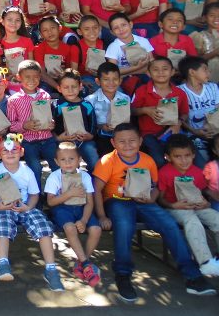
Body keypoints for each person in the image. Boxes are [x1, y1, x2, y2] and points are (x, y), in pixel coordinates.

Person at [93, 123, 215, 301]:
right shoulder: (107, 161)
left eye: (132, 141)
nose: (127, 145)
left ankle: (192, 275)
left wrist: (152, 197)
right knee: (125, 226)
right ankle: (123, 273)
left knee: (169, 224)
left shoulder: (147, 160)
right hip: (117, 201)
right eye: (122, 141)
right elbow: (96, 189)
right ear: (113, 143)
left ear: (140, 141)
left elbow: (156, 186)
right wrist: (102, 215)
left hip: (144, 202)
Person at [0, 134, 64, 291]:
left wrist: (28, 207)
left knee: (43, 226)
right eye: (5, 150)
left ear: (22, 151)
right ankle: (3, 263)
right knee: (4, 227)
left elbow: (34, 194)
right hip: (5, 208)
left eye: (14, 149)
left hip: (25, 206)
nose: (10, 153)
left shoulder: (27, 171)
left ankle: (51, 269)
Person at [157, 135, 219, 277]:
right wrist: (173, 205)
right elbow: (160, 199)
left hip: (196, 207)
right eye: (178, 157)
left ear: (193, 155)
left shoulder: (197, 172)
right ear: (168, 157)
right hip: (175, 208)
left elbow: (203, 192)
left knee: (217, 218)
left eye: (187, 156)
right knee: (192, 222)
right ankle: (205, 262)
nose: (184, 160)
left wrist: (206, 203)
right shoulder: (165, 172)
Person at [44, 142, 101, 286]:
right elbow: (51, 202)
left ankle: (82, 262)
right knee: (70, 228)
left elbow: (90, 202)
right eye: (63, 160)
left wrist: (84, 220)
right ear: (57, 162)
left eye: (71, 159)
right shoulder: (54, 177)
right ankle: (86, 264)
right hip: (62, 209)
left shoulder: (85, 176)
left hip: (82, 209)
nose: (68, 163)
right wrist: (69, 194)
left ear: (79, 159)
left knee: (96, 229)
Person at [6, 60, 58, 192]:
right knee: (35, 168)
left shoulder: (45, 95)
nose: (32, 80)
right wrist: (25, 125)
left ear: (40, 77)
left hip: (47, 138)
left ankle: (56, 192)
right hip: (28, 141)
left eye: (35, 77)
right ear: (19, 77)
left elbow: (50, 117)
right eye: (27, 77)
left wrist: (51, 123)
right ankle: (37, 196)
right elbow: (11, 126)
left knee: (57, 164)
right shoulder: (13, 100)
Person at [132, 56, 188, 168]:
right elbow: (131, 111)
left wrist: (179, 122)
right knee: (159, 160)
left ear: (172, 72)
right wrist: (145, 110)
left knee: (189, 157)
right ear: (148, 73)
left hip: (173, 132)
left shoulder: (179, 92)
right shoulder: (141, 91)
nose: (160, 72)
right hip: (149, 134)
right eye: (155, 69)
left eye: (165, 69)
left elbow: (184, 113)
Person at [53, 69, 99, 171]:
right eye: (66, 87)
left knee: (93, 156)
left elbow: (93, 125)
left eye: (74, 86)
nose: (70, 90)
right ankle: (65, 179)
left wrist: (89, 136)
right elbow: (51, 126)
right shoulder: (57, 105)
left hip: (84, 141)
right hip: (64, 142)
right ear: (59, 88)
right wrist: (59, 138)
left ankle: (92, 179)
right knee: (64, 159)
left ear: (80, 86)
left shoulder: (86, 105)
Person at [177, 56, 219, 168]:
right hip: (193, 135)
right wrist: (195, 131)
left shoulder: (213, 87)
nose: (209, 72)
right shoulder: (179, 91)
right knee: (203, 164)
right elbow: (178, 119)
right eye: (205, 69)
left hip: (215, 132)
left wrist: (210, 127)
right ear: (192, 72)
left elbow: (217, 109)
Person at [85, 61, 131, 157]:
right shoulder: (90, 100)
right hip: (100, 136)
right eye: (106, 79)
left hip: (122, 134)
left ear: (120, 80)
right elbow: (88, 124)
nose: (111, 83)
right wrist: (102, 126)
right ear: (98, 81)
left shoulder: (125, 98)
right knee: (107, 153)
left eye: (115, 79)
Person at [105, 12, 154, 95]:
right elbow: (113, 71)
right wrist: (137, 68)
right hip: (126, 79)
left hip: (140, 74)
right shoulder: (113, 47)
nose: (121, 29)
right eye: (116, 28)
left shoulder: (143, 41)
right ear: (112, 32)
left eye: (123, 25)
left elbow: (151, 61)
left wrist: (128, 72)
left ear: (130, 24)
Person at [33, 16, 79, 92]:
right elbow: (42, 74)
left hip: (65, 81)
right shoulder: (38, 49)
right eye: (45, 30)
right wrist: (58, 87)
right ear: (41, 34)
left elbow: (72, 73)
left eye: (52, 28)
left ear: (60, 28)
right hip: (47, 82)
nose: (50, 32)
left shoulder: (69, 49)